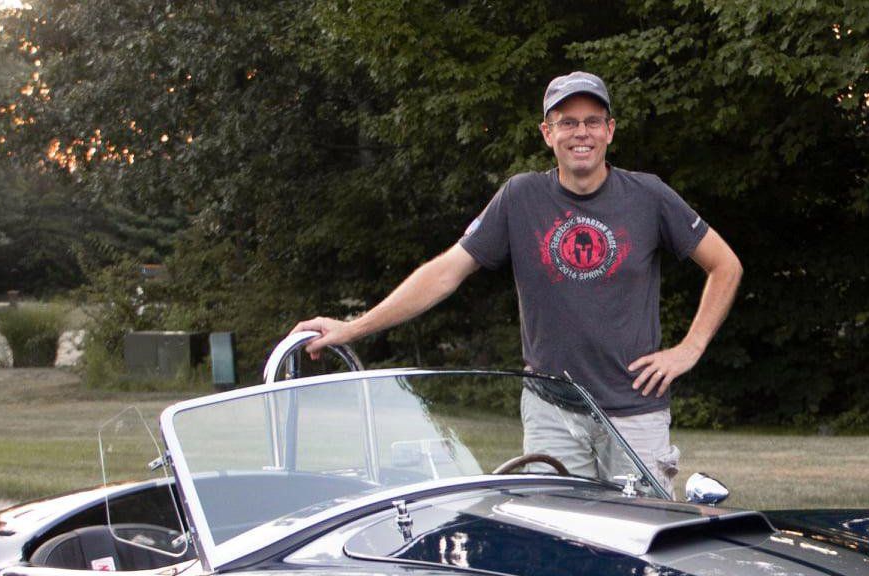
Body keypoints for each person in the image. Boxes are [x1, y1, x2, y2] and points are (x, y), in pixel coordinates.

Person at [288, 71, 742, 493]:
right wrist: (353, 328)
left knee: (644, 546)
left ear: (610, 129)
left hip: (635, 412)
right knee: (554, 543)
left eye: (591, 121)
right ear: (548, 134)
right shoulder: (521, 197)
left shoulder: (648, 195)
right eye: (567, 123)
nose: (580, 133)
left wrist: (691, 348)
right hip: (552, 413)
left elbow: (725, 265)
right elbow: (445, 273)